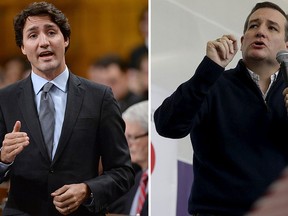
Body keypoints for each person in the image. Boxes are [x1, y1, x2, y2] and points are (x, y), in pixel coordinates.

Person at [154, 1, 288, 216]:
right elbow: (167, 126)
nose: (261, 31)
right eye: (253, 26)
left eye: (272, 27)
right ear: (243, 41)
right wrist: (208, 70)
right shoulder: (211, 84)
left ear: (287, 46)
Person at [0, 2, 134, 216]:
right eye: (33, 35)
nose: (43, 42)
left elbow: (123, 172)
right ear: (23, 48)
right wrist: (3, 159)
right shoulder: (4, 99)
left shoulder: (100, 97)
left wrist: (87, 190)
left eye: (51, 32)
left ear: (66, 39)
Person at [108, 100, 148, 216]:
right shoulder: (136, 181)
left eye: (132, 137)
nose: (127, 144)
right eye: (125, 137)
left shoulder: (158, 180)